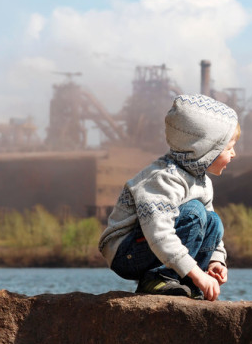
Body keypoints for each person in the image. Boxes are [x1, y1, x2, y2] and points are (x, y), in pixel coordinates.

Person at [98, 94, 238, 301]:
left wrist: (215, 261)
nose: (234, 154)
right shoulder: (163, 179)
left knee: (213, 220)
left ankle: (187, 283)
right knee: (194, 212)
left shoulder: (202, 182)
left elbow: (210, 230)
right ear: (205, 150)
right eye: (228, 148)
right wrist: (197, 273)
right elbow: (158, 233)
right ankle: (158, 278)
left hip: (151, 247)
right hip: (126, 252)